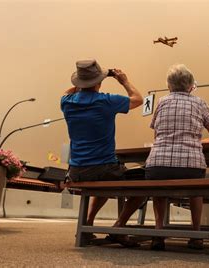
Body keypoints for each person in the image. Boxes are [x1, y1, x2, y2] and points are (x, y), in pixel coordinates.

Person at [61, 59, 146, 246]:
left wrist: (86, 80)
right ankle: (118, 227)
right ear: (98, 82)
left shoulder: (66, 103)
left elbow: (68, 91)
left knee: (105, 181)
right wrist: (123, 81)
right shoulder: (106, 101)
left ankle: (88, 224)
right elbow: (138, 99)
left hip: (76, 170)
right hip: (103, 168)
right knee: (145, 182)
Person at [145, 64, 209, 250]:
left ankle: (159, 233)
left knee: (159, 188)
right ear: (190, 85)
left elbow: (156, 136)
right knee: (195, 191)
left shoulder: (161, 102)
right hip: (191, 166)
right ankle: (196, 235)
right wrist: (195, 140)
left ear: (169, 85)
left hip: (158, 164)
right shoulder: (200, 103)